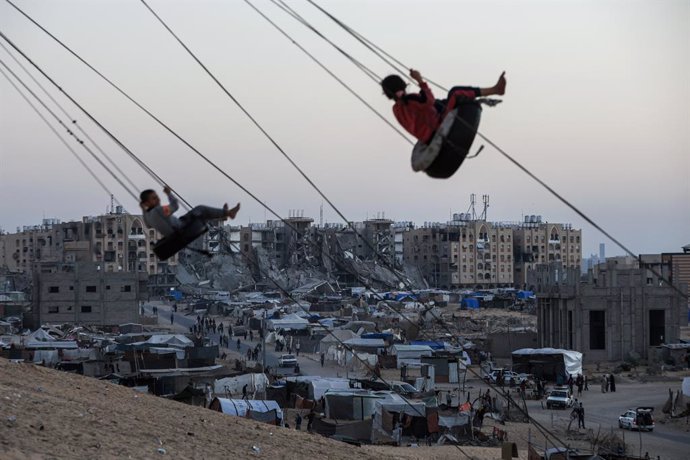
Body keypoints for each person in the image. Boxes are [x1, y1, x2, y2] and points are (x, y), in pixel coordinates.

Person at [381, 68, 506, 145]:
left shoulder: (396, 110)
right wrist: (420, 80)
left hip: (428, 137)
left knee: (443, 102)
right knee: (456, 92)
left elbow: (424, 109)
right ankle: (495, 90)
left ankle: (485, 94)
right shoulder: (409, 100)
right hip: (437, 128)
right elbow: (429, 101)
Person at [140, 186, 240, 237]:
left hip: (175, 232)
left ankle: (222, 216)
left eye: (156, 196)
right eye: (153, 198)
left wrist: (143, 209)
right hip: (182, 228)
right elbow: (175, 206)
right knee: (200, 209)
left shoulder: (148, 217)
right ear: (146, 203)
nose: (158, 199)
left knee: (199, 215)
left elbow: (148, 226)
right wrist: (169, 194)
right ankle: (228, 213)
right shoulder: (159, 210)